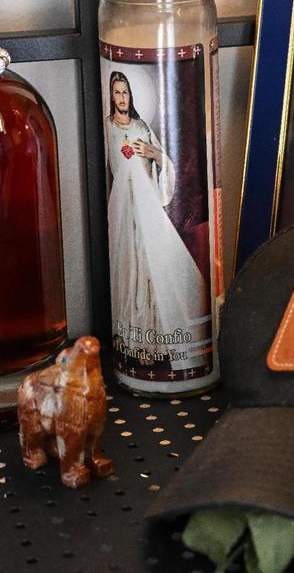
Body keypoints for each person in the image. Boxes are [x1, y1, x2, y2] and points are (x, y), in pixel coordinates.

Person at [104, 71, 208, 371]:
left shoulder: (142, 127)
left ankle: (158, 342)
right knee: (130, 269)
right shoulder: (109, 127)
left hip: (148, 209)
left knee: (152, 269)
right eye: (117, 93)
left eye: (125, 92)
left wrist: (153, 154)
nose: (121, 98)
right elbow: (113, 165)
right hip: (126, 211)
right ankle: (134, 342)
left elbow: (166, 165)